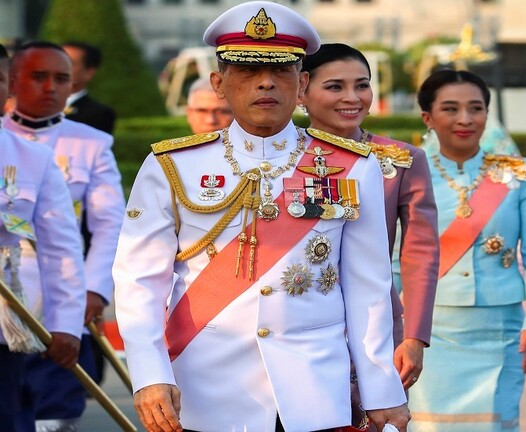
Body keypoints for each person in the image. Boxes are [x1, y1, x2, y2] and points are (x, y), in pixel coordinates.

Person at [112, 2, 409, 431]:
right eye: (248, 70)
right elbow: (139, 280)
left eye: (281, 71)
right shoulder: (172, 166)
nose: (266, 82)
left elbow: (369, 289)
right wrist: (149, 373)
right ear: (219, 83)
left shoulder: (353, 166)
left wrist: (382, 391)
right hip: (204, 389)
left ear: (302, 84)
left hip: (312, 392)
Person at [402, 69, 526, 432]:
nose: (465, 119)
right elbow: (395, 257)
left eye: (476, 108)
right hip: (427, 327)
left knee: (495, 423)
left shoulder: (520, 172)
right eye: (451, 109)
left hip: (499, 326)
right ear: (428, 117)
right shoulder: (407, 172)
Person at [3, 40, 125, 431]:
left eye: (61, 79)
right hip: (8, 298)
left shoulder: (91, 143)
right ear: (13, 81)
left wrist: (93, 289)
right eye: (38, 77)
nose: (51, 88)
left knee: (50, 415)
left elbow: (108, 223)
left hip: (55, 298)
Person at [301, 43, 439, 384]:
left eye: (362, 85)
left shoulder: (401, 160)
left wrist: (415, 337)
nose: (352, 98)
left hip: (375, 326)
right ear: (302, 90)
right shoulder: (278, 159)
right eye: (335, 87)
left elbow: (420, 253)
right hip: (296, 323)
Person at [0, 42, 86, 432]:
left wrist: (66, 323)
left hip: (5, 327)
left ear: (9, 86)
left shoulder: (32, 158)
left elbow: (60, 247)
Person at [61, 41, 116, 134]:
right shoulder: (36, 106)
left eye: (69, 63)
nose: (60, 67)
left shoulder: (98, 114)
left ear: (89, 72)